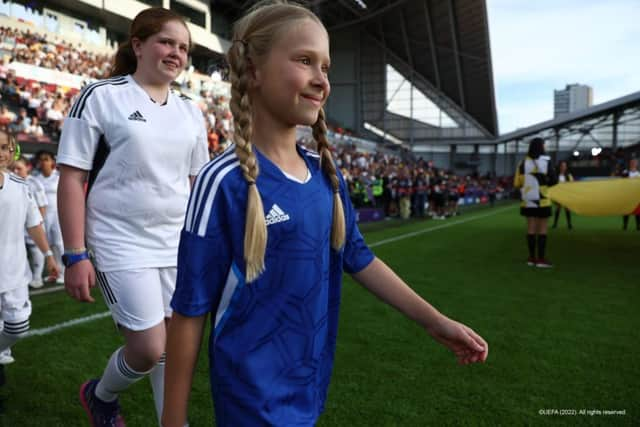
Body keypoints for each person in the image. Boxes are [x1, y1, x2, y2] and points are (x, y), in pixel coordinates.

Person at [162, 3, 488, 427]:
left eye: (326, 66)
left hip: (309, 388)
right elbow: (189, 309)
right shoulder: (223, 182)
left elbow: (358, 255)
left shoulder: (325, 175)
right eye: (304, 60)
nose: (321, 80)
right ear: (253, 70)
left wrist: (436, 322)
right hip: (251, 402)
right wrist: (172, 419)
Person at [56, 7, 208, 426]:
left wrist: (206, 246)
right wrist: (75, 253)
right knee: (146, 348)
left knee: (175, 350)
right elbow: (72, 178)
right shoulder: (100, 96)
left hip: (176, 244)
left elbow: (196, 185)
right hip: (119, 241)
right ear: (138, 45)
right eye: (166, 42)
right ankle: (100, 396)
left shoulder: (192, 111)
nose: (176, 53)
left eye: (183, 47)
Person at [0, 130, 58, 383]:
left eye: (4, 147)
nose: (1, 153)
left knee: (18, 326)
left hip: (14, 272)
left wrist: (48, 255)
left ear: (13, 151)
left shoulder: (21, 186)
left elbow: (34, 224)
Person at [514, 137, 556, 267]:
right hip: (543, 199)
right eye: (544, 145)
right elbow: (554, 180)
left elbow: (517, 183)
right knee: (542, 229)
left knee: (531, 229)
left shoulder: (522, 163)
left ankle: (531, 258)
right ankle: (541, 260)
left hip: (528, 199)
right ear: (541, 146)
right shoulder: (546, 161)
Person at [12, 156, 49, 288]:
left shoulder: (34, 183)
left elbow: (42, 206)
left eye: (19, 168)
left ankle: (37, 277)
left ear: (28, 167)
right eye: (13, 169)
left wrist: (38, 224)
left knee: (35, 250)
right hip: (16, 225)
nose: (16, 171)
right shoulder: (11, 182)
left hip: (32, 225)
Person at [33, 150, 64, 284]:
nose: (44, 162)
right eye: (41, 160)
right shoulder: (35, 179)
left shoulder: (59, 177)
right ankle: (53, 273)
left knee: (58, 244)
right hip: (42, 216)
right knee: (47, 246)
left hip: (58, 214)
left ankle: (63, 273)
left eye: (46, 159)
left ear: (52, 161)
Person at [552, 160, 573, 229]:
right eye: (562, 166)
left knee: (567, 209)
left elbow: (572, 184)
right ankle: (555, 224)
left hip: (566, 194)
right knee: (558, 208)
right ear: (559, 167)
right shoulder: (556, 175)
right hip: (559, 194)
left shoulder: (568, 175)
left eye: (564, 166)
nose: (563, 167)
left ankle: (569, 224)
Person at [622, 158, 639, 231]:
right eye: (632, 162)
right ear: (630, 164)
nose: (633, 164)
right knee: (626, 211)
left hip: (636, 195)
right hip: (627, 194)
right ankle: (625, 225)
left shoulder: (638, 174)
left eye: (634, 163)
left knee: (638, 212)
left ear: (636, 164)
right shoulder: (626, 172)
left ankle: (638, 226)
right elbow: (621, 181)